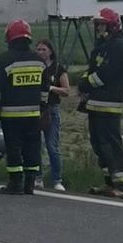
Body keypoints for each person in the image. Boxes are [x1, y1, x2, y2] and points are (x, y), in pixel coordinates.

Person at [0, 20, 49, 195]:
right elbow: (45, 89)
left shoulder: (3, 60)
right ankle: (30, 184)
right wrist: (43, 108)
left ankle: (16, 183)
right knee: (32, 147)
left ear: (9, 38)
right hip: (33, 114)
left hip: (11, 115)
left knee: (13, 148)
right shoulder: (39, 61)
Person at [79, 8, 123, 198]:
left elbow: (103, 75)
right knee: (99, 144)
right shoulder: (102, 47)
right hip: (95, 104)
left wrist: (85, 84)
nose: (98, 28)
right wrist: (85, 84)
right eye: (97, 24)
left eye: (101, 24)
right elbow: (91, 68)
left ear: (112, 26)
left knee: (111, 144)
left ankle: (122, 186)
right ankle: (110, 183)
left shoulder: (118, 46)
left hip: (108, 104)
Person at [36, 39, 70, 193]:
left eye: (43, 49)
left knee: (52, 146)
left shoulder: (57, 69)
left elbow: (66, 90)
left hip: (51, 109)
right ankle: (38, 177)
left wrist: (50, 88)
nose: (40, 52)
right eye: (38, 49)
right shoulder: (35, 67)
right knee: (36, 145)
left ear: (50, 51)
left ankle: (57, 179)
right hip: (36, 109)